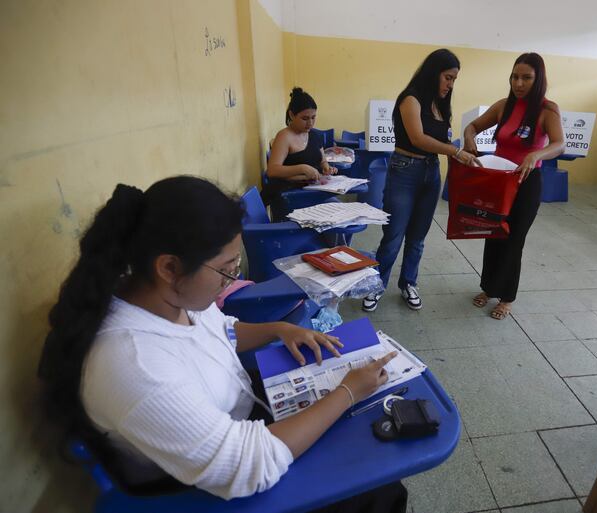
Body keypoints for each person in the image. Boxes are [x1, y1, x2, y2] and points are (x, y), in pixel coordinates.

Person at [37, 176, 407, 510]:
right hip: (209, 490)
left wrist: (280, 329)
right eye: (226, 270)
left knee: (368, 444)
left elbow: (220, 330)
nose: (231, 280)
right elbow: (247, 466)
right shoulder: (131, 363)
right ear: (169, 267)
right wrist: (345, 392)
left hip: (240, 420)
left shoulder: (168, 297)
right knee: (379, 491)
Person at [362, 49, 480, 313]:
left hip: (430, 171)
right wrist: (455, 151)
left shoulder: (441, 104)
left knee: (418, 237)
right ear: (433, 73)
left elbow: (443, 140)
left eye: (454, 80)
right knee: (394, 235)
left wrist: (462, 155)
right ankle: (375, 285)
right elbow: (417, 138)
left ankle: (408, 283)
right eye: (448, 78)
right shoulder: (410, 99)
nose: (450, 85)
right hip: (404, 170)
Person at [463, 52, 565, 320]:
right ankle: (488, 287)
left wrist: (536, 154)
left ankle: (506, 297)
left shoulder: (547, 110)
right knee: (493, 235)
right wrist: (469, 138)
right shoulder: (503, 106)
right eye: (515, 77)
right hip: (499, 181)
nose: (519, 83)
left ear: (538, 78)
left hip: (526, 183)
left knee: (513, 240)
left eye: (526, 78)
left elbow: (559, 143)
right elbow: (472, 126)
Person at [262, 87, 336, 209]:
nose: (310, 123)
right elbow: (272, 171)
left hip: (313, 190)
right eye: (305, 118)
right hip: (291, 195)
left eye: (313, 117)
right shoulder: (284, 137)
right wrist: (302, 168)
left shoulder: (314, 135)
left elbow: (322, 161)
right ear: (292, 114)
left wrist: (327, 169)